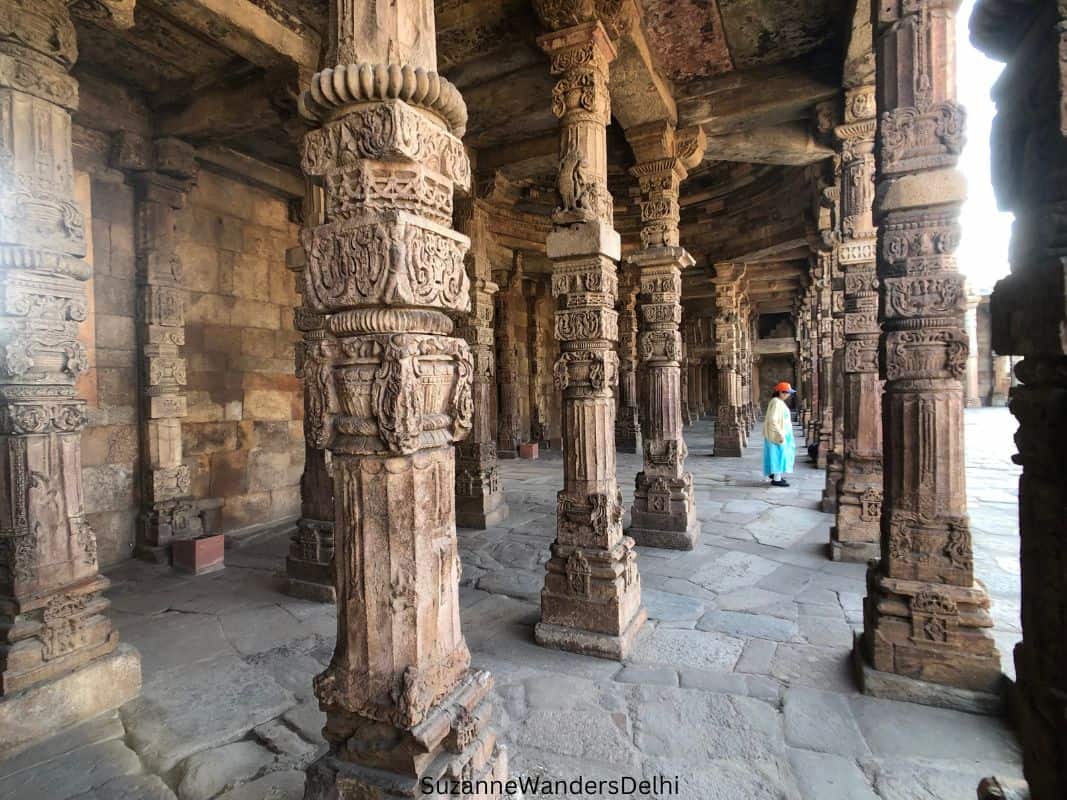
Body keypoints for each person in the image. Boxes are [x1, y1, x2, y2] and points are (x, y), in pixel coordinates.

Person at [763, 382, 796, 487]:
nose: (789, 395)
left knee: (776, 455)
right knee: (779, 456)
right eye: (787, 392)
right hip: (777, 435)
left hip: (779, 433)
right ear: (781, 392)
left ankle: (775, 475)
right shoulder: (777, 403)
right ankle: (777, 479)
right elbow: (773, 419)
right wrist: (779, 433)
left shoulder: (777, 401)